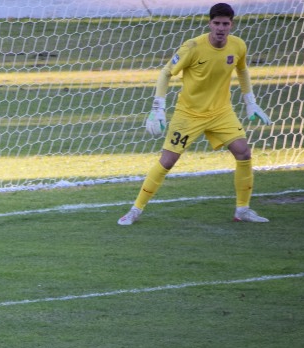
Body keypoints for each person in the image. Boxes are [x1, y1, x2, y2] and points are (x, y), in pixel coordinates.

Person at [117, 3, 272, 226]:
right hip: (188, 114)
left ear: (232, 25)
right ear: (210, 24)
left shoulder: (238, 45)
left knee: (243, 153)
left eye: (225, 24)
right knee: (167, 161)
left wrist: (251, 102)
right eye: (216, 23)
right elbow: (165, 72)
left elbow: (242, 70)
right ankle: (135, 210)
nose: (221, 28)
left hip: (221, 112)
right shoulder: (192, 47)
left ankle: (243, 209)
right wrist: (158, 108)